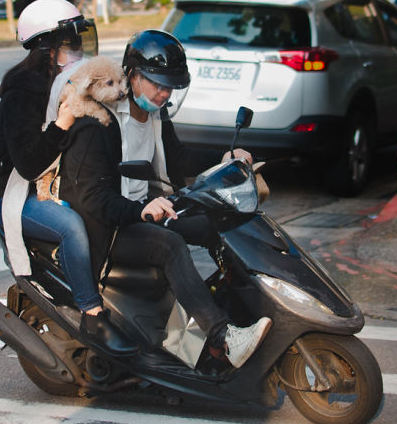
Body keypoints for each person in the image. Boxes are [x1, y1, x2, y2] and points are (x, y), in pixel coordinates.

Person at [59, 29, 272, 369]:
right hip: (110, 226)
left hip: (148, 210)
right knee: (169, 245)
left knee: (215, 223)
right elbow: (93, 199)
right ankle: (223, 338)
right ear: (132, 75)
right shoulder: (99, 122)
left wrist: (224, 158)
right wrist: (140, 210)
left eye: (170, 86)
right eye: (157, 84)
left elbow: (178, 159)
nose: (164, 93)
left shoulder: (156, 113)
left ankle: (237, 304)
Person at [0, 0, 136, 356]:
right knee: (71, 226)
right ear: (47, 46)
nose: (78, 48)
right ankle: (92, 314)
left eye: (80, 38)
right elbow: (28, 165)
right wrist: (62, 123)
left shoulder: (64, 81)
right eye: (70, 41)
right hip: (14, 192)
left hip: (49, 183)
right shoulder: (23, 88)